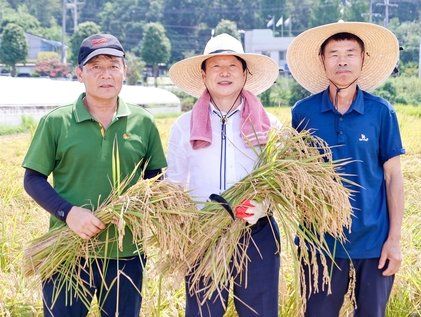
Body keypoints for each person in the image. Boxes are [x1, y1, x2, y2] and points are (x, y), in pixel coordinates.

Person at [22, 33, 167, 316]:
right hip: (67, 254)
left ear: (125, 70)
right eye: (95, 67)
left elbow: (154, 180)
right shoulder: (56, 122)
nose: (106, 75)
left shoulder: (143, 122)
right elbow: (33, 179)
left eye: (113, 65)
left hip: (125, 255)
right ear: (80, 73)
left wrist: (139, 209)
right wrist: (68, 213)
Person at [287, 21, 405, 316]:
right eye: (334, 53)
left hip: (373, 243)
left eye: (351, 53)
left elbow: (393, 177)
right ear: (322, 61)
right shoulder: (303, 112)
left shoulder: (381, 112)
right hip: (320, 244)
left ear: (364, 60)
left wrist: (393, 241)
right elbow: (293, 176)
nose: (343, 60)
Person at [166, 33, 281, 317]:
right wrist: (183, 225)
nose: (225, 73)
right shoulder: (184, 127)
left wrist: (264, 207)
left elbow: (282, 183)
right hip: (203, 233)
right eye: (216, 66)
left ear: (245, 74)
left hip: (257, 234)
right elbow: (174, 183)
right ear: (204, 75)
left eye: (233, 66)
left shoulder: (270, 125)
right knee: (203, 312)